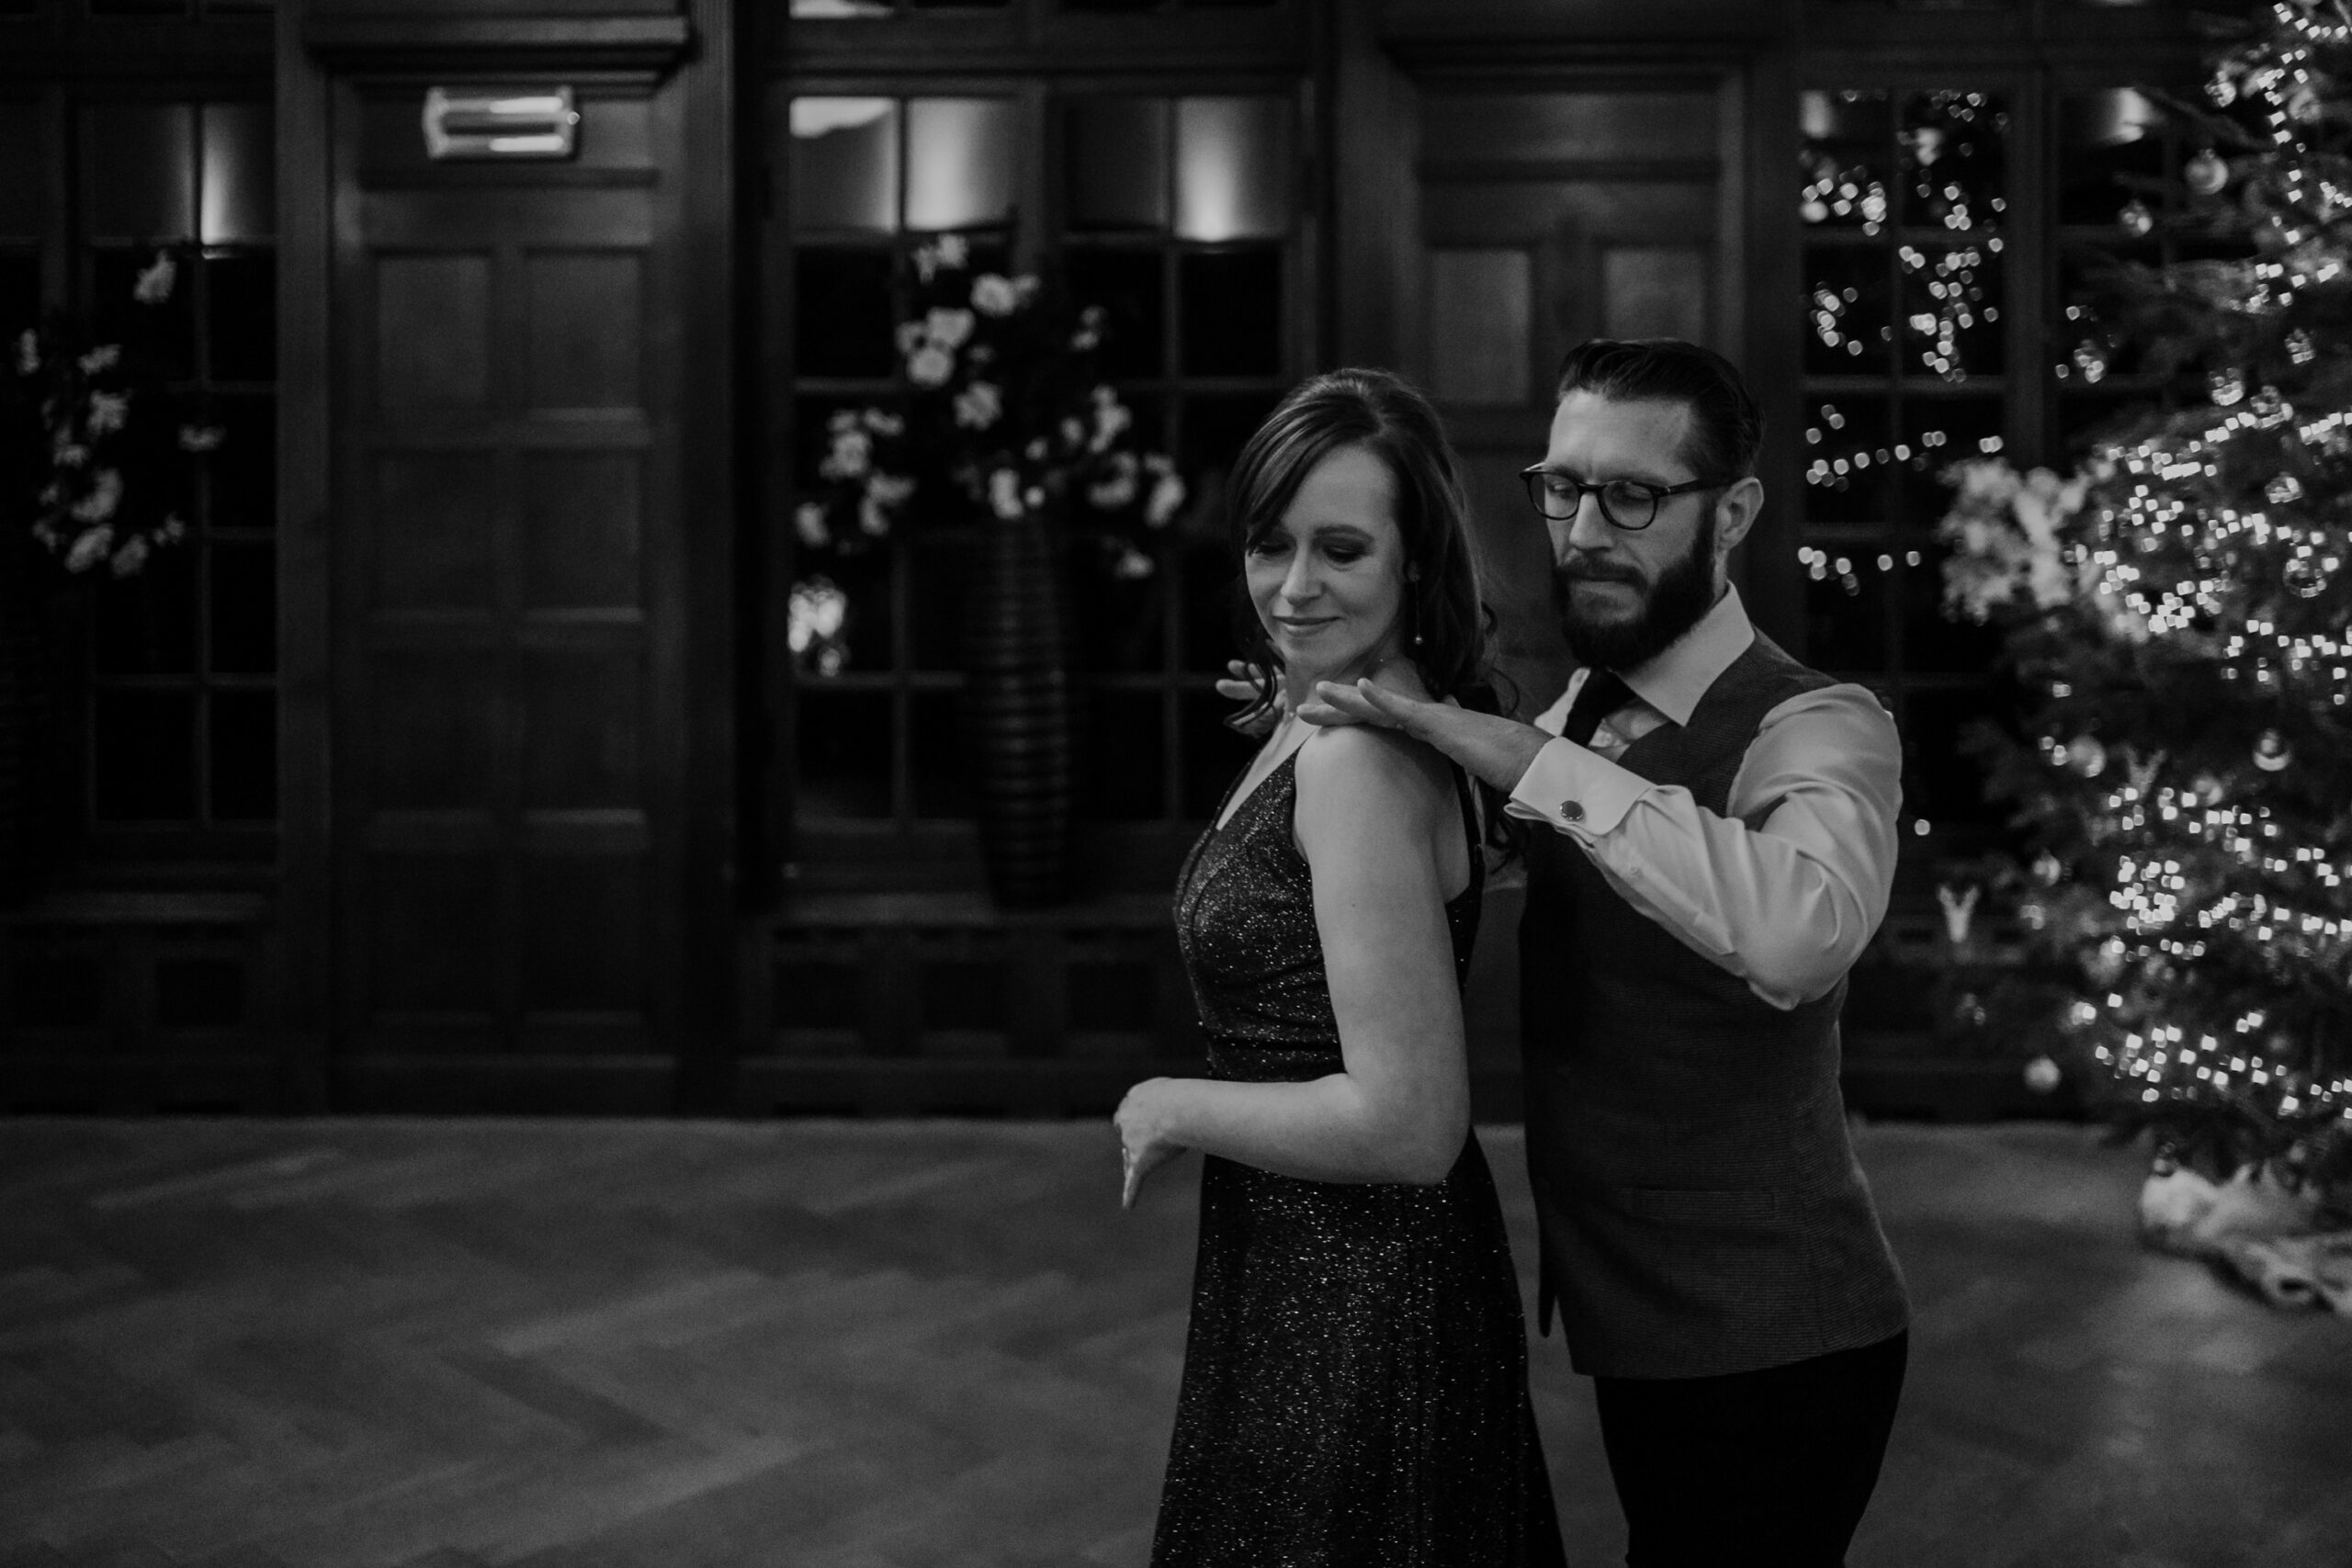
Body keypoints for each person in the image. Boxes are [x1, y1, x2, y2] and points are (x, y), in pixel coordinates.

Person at [1295, 339, 1911, 1568]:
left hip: (1780, 1336)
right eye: (1564, 488)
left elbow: (1803, 935)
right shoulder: (1586, 706)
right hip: (1640, 1323)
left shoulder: (1818, 723)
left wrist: (1534, 763)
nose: (1583, 532)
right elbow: (1496, 861)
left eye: (1632, 495)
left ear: (1733, 512)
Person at [1114, 367, 1566, 1567]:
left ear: (1415, 562)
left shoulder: (1358, 764)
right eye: (1272, 544)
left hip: (1359, 1295)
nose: (1295, 584)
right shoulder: (1349, 712)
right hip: (1315, 1266)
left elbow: (1411, 1124)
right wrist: (1289, 693)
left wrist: (1169, 1106)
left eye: (1343, 549)